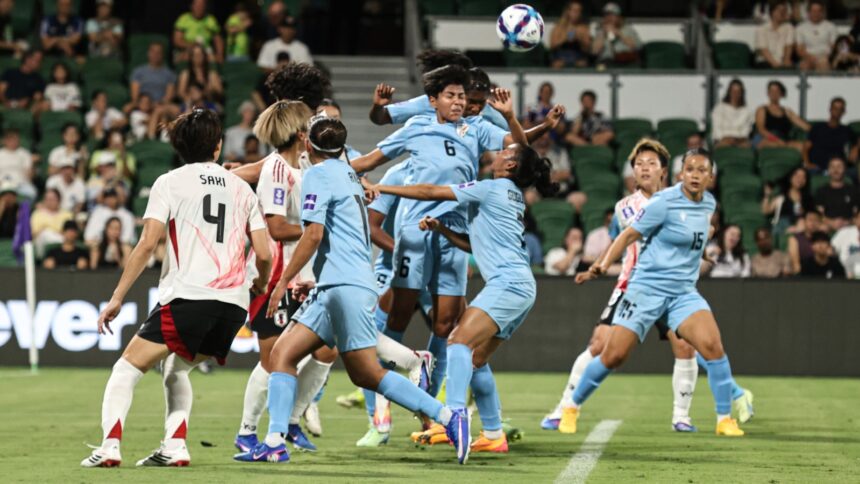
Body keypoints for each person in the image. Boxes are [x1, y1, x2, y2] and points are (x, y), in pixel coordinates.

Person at [234, 116, 457, 465]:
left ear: (309, 145)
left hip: (345, 284)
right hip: (336, 283)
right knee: (283, 355)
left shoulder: (318, 175)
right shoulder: (348, 173)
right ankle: (275, 440)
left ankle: (447, 416)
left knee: (365, 373)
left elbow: (313, 235)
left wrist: (281, 282)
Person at [81, 109, 271, 468]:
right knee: (176, 369)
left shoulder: (169, 182)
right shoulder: (242, 189)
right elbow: (263, 253)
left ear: (178, 147)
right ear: (218, 147)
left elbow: (147, 243)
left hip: (189, 296)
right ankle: (175, 445)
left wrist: (117, 297)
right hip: (233, 305)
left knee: (126, 369)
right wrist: (259, 285)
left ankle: (109, 447)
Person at [349, 67, 528, 431]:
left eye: (463, 96)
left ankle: (434, 412)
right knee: (397, 317)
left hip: (453, 232)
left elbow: (519, 146)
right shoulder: (415, 127)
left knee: (448, 325)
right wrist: (328, 174)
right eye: (452, 96)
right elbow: (367, 162)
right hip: (414, 233)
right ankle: (378, 409)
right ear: (433, 101)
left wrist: (510, 115)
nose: (460, 101)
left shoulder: (476, 129)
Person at [543, 140, 751, 434]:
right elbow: (631, 236)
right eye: (639, 164)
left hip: (680, 291)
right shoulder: (634, 205)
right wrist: (600, 265)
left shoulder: (704, 202)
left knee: (693, 346)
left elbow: (699, 228)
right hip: (640, 284)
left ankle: (692, 416)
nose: (643, 168)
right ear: (680, 174)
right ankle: (566, 406)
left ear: (665, 172)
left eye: (651, 164)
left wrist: (701, 246)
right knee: (606, 348)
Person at [372, 143, 558, 460]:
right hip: (521, 286)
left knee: (457, 340)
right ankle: (494, 433)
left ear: (511, 165)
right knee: (475, 360)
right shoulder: (511, 195)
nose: (499, 152)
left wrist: (380, 187)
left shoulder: (490, 188)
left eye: (506, 151)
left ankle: (453, 417)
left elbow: (431, 191)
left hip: (507, 284)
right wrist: (442, 228)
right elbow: (474, 243)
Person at [804, 97, 856, 172]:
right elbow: (805, 148)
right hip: (817, 167)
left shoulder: (846, 130)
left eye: (840, 109)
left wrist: (856, 149)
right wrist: (807, 163)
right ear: (830, 109)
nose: (837, 111)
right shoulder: (818, 128)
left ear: (844, 112)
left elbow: (857, 140)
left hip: (838, 168)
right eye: (835, 108)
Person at [754, 81, 809, 150]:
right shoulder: (762, 110)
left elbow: (803, 125)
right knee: (771, 144)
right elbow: (761, 130)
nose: (774, 94)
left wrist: (817, 131)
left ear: (781, 93)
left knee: (803, 146)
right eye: (771, 91)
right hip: (766, 139)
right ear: (768, 93)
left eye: (776, 91)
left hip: (783, 140)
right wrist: (776, 140)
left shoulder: (787, 111)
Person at [762, 166, 815, 235]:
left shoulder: (808, 198)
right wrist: (766, 195)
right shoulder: (781, 196)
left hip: (801, 227)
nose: (800, 179)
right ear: (790, 177)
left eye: (803, 177)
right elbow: (766, 211)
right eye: (797, 175)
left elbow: (813, 215)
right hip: (783, 227)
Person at [814, 157, 858, 231]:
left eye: (839, 166)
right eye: (832, 167)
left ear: (844, 169)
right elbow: (819, 214)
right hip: (827, 227)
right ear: (828, 170)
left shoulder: (854, 190)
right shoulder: (821, 191)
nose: (836, 170)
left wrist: (847, 223)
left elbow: (856, 213)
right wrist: (831, 223)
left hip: (849, 227)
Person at [592, 2, 641, 68]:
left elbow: (637, 47)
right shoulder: (600, 30)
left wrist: (618, 33)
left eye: (612, 15)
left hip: (626, 61)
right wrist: (603, 34)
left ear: (618, 16)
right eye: (606, 15)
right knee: (599, 68)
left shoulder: (628, 29)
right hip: (606, 62)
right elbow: (595, 51)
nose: (609, 18)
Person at [129, 42, 177, 107]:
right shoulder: (138, 72)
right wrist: (145, 105)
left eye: (158, 52)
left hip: (161, 106)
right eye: (153, 51)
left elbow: (168, 96)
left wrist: (156, 105)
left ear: (162, 55)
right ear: (148, 53)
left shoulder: (169, 74)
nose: (155, 55)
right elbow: (135, 96)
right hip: (142, 105)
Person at [795, 1, 836, 72]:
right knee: (805, 65)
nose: (816, 14)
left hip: (825, 57)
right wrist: (810, 58)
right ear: (808, 12)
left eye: (819, 11)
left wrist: (824, 57)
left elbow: (833, 46)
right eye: (813, 11)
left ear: (823, 12)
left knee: (823, 63)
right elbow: (799, 49)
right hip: (808, 57)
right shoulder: (800, 28)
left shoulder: (831, 27)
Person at [711, 79, 754, 148]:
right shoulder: (719, 108)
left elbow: (747, 129)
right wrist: (725, 138)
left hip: (740, 141)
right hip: (722, 140)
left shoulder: (747, 110)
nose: (735, 94)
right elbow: (716, 128)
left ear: (741, 93)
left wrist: (737, 139)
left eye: (738, 91)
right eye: (733, 91)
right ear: (729, 92)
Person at [549, 1, 591, 69]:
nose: (577, 13)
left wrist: (579, 38)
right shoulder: (558, 27)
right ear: (568, 12)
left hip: (577, 56)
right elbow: (552, 46)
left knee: (583, 63)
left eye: (579, 11)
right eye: (574, 11)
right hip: (561, 56)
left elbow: (587, 49)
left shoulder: (583, 28)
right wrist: (565, 38)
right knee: (556, 63)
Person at [30, 188, 71, 256]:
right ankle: (41, 259)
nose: (49, 202)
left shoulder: (67, 214)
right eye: (47, 199)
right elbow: (33, 233)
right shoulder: (37, 214)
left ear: (59, 200)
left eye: (52, 199)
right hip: (40, 242)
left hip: (62, 240)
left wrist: (47, 228)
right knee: (45, 234)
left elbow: (69, 232)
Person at [755, 1, 794, 68]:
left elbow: (788, 46)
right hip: (766, 61)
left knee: (790, 66)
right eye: (779, 10)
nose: (782, 13)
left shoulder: (789, 28)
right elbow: (763, 50)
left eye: (784, 11)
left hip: (781, 61)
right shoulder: (762, 29)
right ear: (772, 12)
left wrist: (786, 60)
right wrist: (775, 63)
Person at [0, 129, 37, 199]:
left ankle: (23, 210)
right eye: (10, 139)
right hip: (2, 184)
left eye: (16, 139)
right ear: (5, 140)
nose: (13, 142)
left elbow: (29, 174)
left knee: (31, 192)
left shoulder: (24, 153)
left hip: (20, 184)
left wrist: (33, 168)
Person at [787, 208, 824, 274]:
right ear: (804, 221)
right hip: (804, 276)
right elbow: (796, 265)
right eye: (810, 220)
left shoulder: (824, 239)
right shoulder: (795, 239)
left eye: (816, 220)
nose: (813, 223)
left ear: (820, 222)